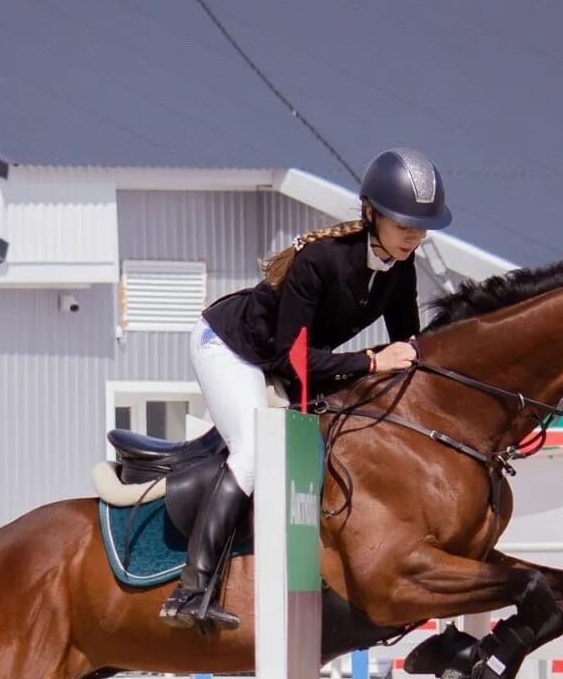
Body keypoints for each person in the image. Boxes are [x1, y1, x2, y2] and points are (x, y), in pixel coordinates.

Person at [161, 147, 454, 631]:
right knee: (252, 451)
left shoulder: (401, 270)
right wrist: (371, 360)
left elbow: (410, 348)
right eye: (405, 224)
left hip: (284, 359)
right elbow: (289, 361)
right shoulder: (318, 261)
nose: (415, 236)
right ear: (371, 214)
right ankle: (191, 589)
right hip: (231, 347)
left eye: (422, 227)